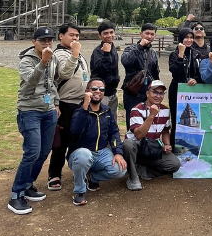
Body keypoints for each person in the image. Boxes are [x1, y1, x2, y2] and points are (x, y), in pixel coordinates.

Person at [8, 27, 60, 215]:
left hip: (48, 110)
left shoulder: (53, 57)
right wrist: (43, 62)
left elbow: (52, 82)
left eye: (49, 40)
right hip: (29, 110)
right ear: (34, 42)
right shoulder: (26, 60)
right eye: (42, 40)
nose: (47, 43)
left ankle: (28, 184)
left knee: (44, 151)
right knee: (32, 151)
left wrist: (56, 103)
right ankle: (16, 194)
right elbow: (31, 81)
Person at [67, 78, 127, 206]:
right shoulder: (79, 111)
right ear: (87, 91)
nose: (98, 91)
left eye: (101, 89)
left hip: (101, 152)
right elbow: (75, 131)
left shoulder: (107, 111)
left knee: (120, 170)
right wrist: (85, 107)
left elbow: (114, 133)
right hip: (80, 154)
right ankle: (79, 191)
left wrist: (118, 152)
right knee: (84, 155)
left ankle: (91, 177)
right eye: (94, 88)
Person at [47, 22, 89, 192]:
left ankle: (78, 169)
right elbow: (65, 73)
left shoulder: (77, 54)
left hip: (80, 103)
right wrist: (75, 52)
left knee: (79, 138)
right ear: (61, 36)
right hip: (65, 103)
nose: (75, 38)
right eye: (71, 35)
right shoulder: (58, 54)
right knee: (61, 141)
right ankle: (54, 173)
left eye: (77, 36)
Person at [123, 80, 181, 190]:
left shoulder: (165, 110)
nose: (158, 96)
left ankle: (145, 171)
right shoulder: (137, 109)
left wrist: (167, 144)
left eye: (161, 93)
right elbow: (139, 135)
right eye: (155, 92)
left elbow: (165, 131)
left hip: (152, 147)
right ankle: (133, 178)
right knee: (128, 144)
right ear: (147, 93)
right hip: (137, 147)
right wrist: (151, 116)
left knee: (174, 164)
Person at [168, 27, 202, 151]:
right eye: (186, 37)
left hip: (192, 91)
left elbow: (201, 72)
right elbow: (175, 72)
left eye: (191, 37)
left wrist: (196, 79)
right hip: (177, 89)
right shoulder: (174, 54)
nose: (189, 40)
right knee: (177, 119)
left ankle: (193, 148)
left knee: (193, 121)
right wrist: (181, 55)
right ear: (181, 39)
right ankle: (175, 148)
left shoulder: (197, 54)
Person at [121, 23, 160, 130]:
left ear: (155, 36)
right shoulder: (130, 49)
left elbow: (155, 74)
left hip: (148, 94)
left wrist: (157, 91)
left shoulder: (153, 53)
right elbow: (126, 62)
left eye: (152, 34)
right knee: (132, 124)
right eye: (147, 33)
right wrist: (139, 47)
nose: (149, 36)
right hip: (133, 93)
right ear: (141, 34)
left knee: (147, 123)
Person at [90, 21, 120, 117]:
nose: (109, 35)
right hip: (101, 93)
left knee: (112, 119)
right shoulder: (98, 51)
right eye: (105, 33)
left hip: (113, 91)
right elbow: (101, 71)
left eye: (111, 32)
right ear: (100, 36)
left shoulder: (113, 48)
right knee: (100, 119)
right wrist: (106, 54)